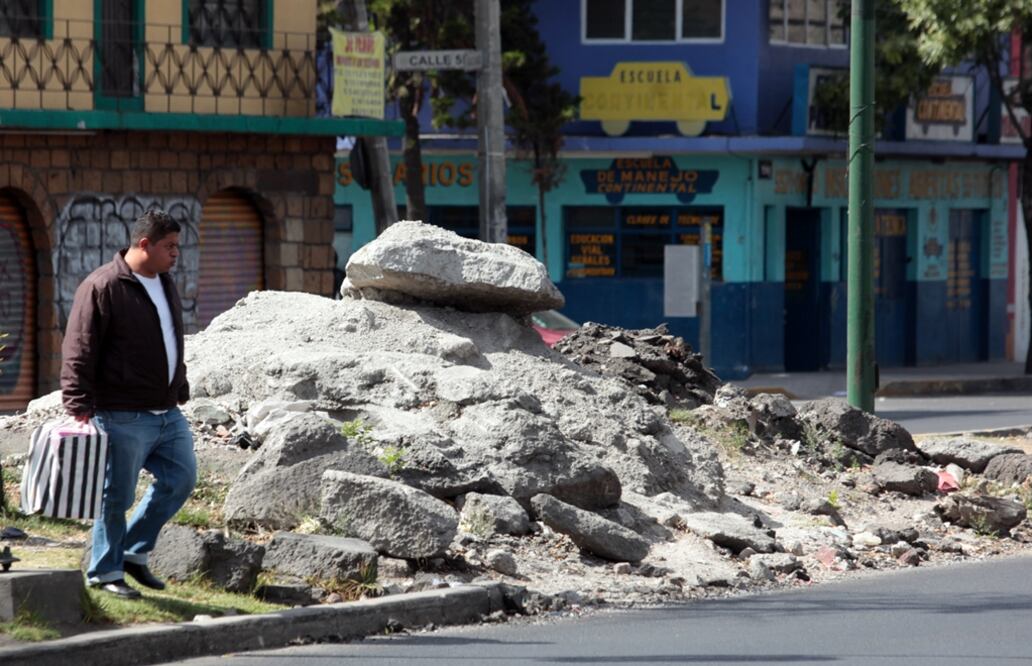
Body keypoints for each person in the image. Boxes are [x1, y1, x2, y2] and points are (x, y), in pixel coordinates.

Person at [61, 209, 196, 599]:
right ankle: (104, 572)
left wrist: (179, 382)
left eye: (177, 247)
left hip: (166, 412)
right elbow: (79, 348)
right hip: (120, 413)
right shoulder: (102, 286)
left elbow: (171, 337)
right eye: (169, 247)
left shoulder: (165, 282)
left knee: (181, 479)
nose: (176, 255)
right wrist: (77, 403)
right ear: (144, 244)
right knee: (115, 496)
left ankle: (133, 552)